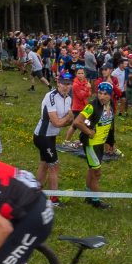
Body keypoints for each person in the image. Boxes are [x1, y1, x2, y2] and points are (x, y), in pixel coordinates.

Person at [32, 69, 76, 197]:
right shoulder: (50, 96)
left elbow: (68, 122)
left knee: (45, 164)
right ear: (58, 83)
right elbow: (57, 122)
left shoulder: (68, 98)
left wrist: (67, 119)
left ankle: (35, 193)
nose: (66, 86)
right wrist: (68, 118)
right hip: (42, 136)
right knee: (54, 166)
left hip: (51, 136)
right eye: (63, 83)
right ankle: (54, 199)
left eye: (68, 84)